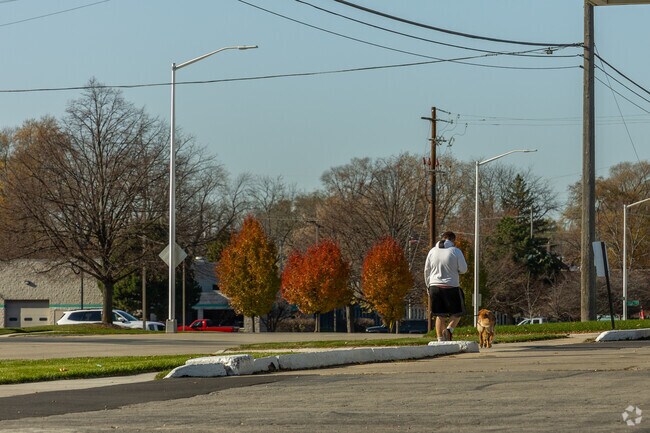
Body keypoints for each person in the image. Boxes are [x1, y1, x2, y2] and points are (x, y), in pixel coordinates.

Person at [423, 231, 468, 341]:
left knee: (440, 314)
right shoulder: (455, 251)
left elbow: (426, 270)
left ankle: (440, 339)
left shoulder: (432, 251)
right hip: (451, 286)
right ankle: (449, 330)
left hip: (434, 286)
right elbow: (463, 269)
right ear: (453, 240)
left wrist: (428, 285)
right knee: (458, 312)